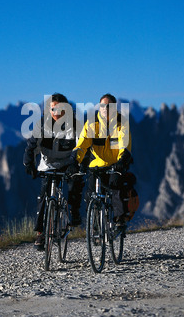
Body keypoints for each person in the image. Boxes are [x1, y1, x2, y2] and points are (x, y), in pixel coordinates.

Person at [23, 93, 83, 250]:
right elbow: (31, 147)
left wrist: (75, 162)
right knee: (44, 195)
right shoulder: (42, 124)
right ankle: (41, 233)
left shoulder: (75, 124)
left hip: (68, 162)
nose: (56, 112)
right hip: (48, 164)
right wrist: (29, 164)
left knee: (75, 183)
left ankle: (74, 212)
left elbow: (81, 146)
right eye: (52, 108)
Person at [69, 93, 137, 225]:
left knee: (116, 187)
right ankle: (95, 224)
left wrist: (122, 161)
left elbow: (125, 145)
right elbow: (82, 145)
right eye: (102, 106)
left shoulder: (121, 123)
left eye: (109, 106)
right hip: (97, 165)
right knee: (90, 195)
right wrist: (74, 160)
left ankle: (119, 220)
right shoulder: (92, 123)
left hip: (116, 165)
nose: (105, 109)